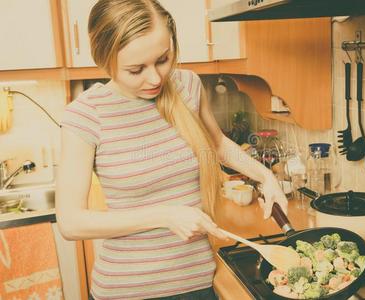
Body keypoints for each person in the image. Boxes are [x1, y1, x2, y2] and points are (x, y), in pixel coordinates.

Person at [55, 0, 288, 299]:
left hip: (199, 283)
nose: (155, 79)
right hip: (127, 290)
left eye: (163, 59)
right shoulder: (86, 115)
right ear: (105, 60)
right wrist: (165, 215)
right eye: (136, 69)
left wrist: (265, 177)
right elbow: (71, 222)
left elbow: (216, 144)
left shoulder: (188, 86)